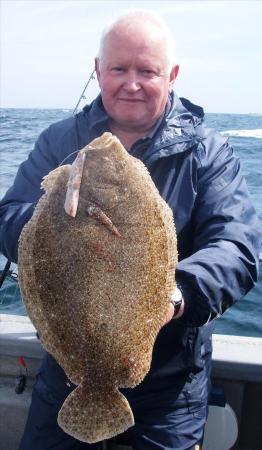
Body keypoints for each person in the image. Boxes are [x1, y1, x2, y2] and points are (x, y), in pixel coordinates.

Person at [0, 10, 260, 450]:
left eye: (147, 70)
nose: (131, 83)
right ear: (98, 70)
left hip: (171, 391)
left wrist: (175, 296)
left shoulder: (208, 154)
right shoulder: (60, 141)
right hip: (65, 374)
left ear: (172, 75)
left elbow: (237, 248)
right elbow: (9, 218)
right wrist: (56, 222)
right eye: (119, 68)